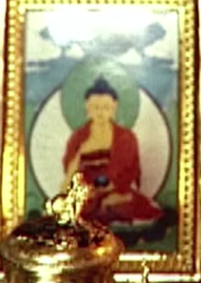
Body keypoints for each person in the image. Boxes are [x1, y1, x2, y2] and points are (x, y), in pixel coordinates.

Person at [61, 77, 163, 227]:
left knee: (121, 205)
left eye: (106, 108)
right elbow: (70, 174)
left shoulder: (125, 137)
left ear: (114, 107)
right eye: (95, 107)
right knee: (74, 210)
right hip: (87, 194)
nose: (100, 113)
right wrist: (81, 154)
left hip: (117, 193)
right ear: (87, 107)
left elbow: (131, 171)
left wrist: (111, 188)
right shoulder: (78, 138)